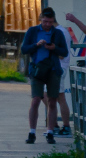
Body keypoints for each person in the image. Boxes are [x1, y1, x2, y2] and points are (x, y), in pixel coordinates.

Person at [22, 8, 69, 145]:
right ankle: (32, 132)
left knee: (52, 101)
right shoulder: (33, 31)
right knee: (36, 99)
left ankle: (50, 131)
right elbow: (24, 49)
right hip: (37, 69)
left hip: (53, 69)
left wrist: (54, 48)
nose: (47, 24)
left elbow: (64, 52)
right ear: (40, 19)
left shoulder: (58, 33)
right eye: (45, 21)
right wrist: (36, 45)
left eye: (50, 22)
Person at [53, 18, 77, 136]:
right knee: (47, 97)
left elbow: (61, 54)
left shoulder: (60, 32)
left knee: (60, 97)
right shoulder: (60, 31)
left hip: (59, 68)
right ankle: (55, 125)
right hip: (56, 68)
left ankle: (65, 126)